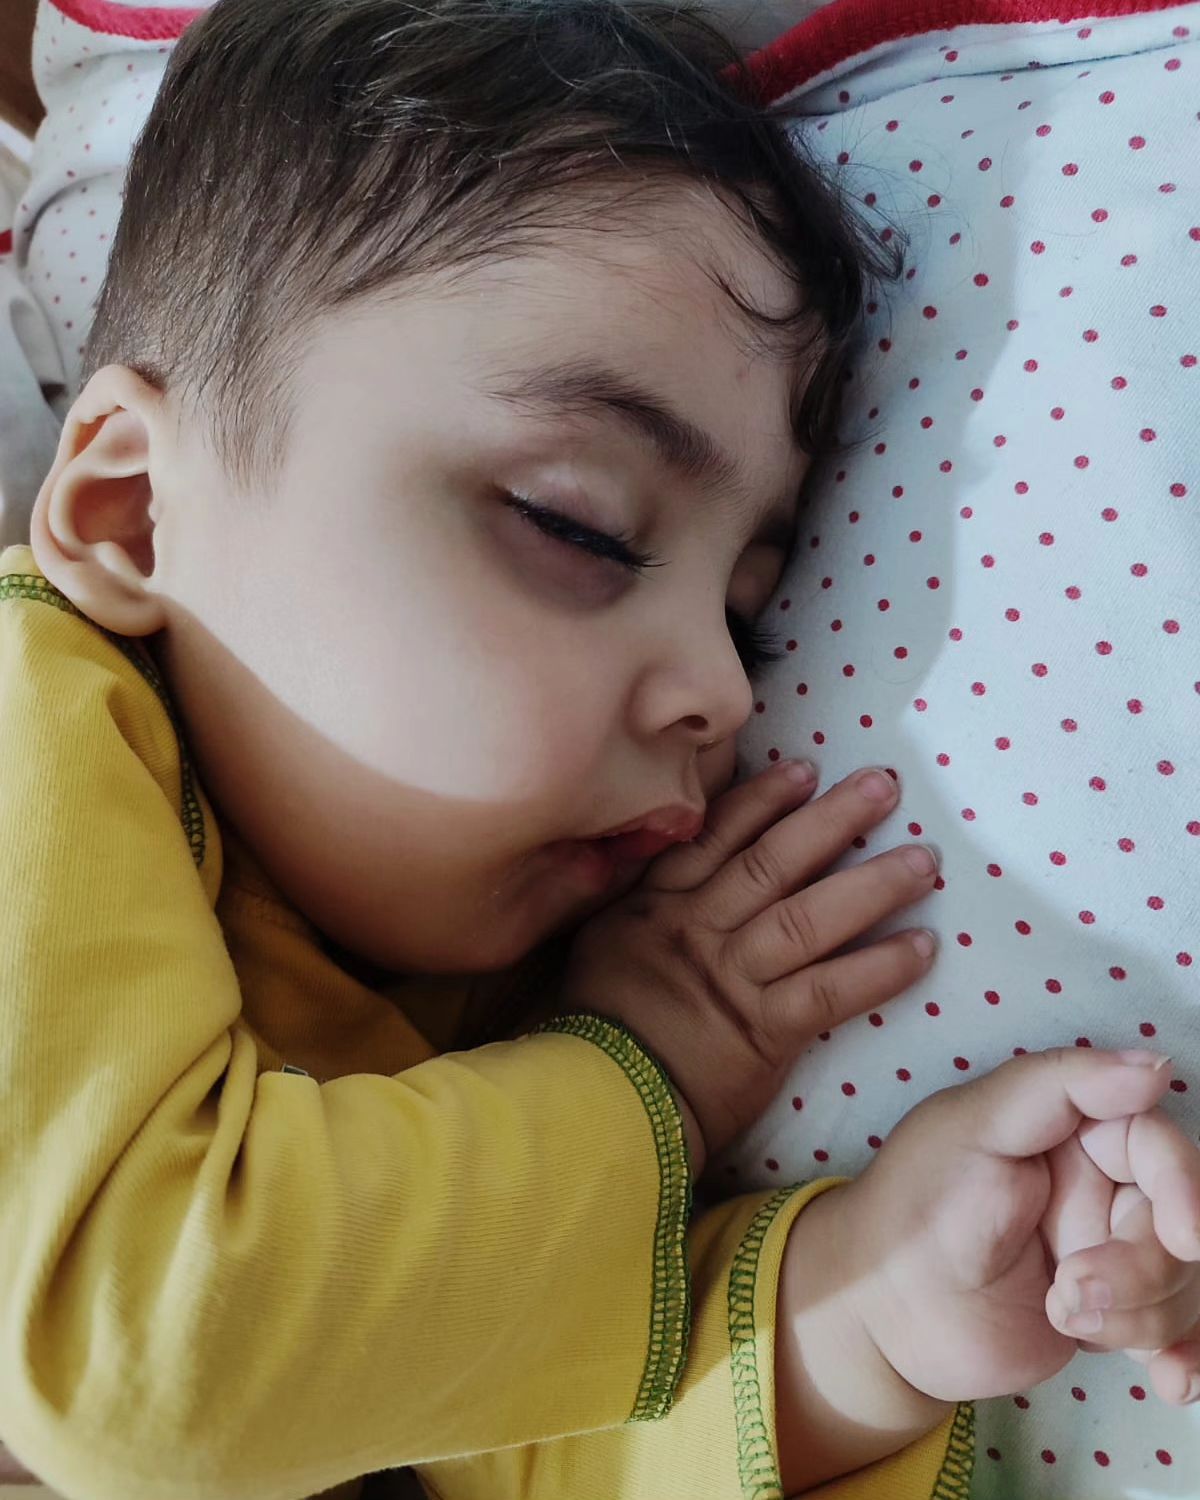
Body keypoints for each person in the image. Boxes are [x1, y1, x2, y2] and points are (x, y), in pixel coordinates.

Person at [3, 4, 1200, 1500]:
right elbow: (141, 1348)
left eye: (749, 615)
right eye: (579, 527)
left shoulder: (457, 976)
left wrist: (880, 1302)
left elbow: (493, 1430)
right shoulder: (31, 723)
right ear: (131, 513)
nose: (720, 689)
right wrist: (653, 1069)